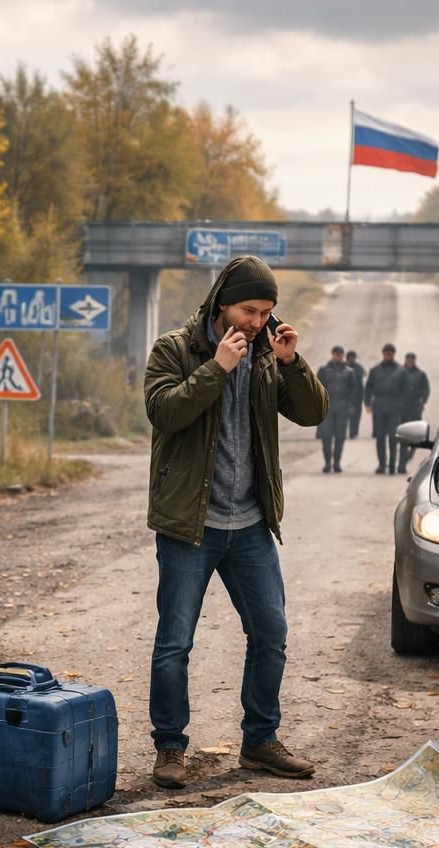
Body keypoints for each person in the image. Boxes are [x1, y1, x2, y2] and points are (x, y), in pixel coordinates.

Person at [144, 255, 328, 789]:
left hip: (250, 525)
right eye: (249, 309)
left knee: (271, 633)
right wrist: (217, 368)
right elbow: (165, 412)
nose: (256, 320)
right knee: (175, 642)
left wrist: (292, 363)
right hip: (189, 527)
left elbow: (313, 413)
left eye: (266, 311)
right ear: (223, 301)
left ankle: (260, 741)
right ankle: (170, 748)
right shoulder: (175, 348)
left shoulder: (269, 355)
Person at [363, 343, 405, 474]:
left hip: (394, 406)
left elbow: (405, 389)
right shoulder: (375, 370)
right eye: (386, 353)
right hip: (379, 406)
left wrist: (403, 405)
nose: (388, 355)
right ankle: (382, 465)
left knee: (393, 437)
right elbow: (368, 387)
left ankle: (392, 465)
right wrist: (367, 403)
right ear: (383, 354)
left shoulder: (401, 370)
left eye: (390, 353)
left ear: (393, 354)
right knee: (380, 437)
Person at [315, 345, 358, 472]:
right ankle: (328, 462)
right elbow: (317, 387)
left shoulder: (349, 372)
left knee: (340, 437)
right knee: (326, 436)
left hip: (343, 408)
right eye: (336, 354)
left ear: (343, 356)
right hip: (327, 407)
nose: (338, 356)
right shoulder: (323, 370)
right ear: (332, 355)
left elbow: (354, 389)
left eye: (340, 354)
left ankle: (337, 462)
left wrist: (351, 404)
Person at [395, 351, 431, 474]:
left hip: (415, 408)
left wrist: (423, 401)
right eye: (408, 359)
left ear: (414, 360)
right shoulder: (399, 373)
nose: (410, 361)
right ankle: (401, 464)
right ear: (406, 360)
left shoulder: (420, 374)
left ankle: (406, 458)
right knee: (403, 437)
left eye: (412, 359)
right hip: (402, 409)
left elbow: (426, 389)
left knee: (415, 439)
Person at [345, 350, 365, 438]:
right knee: (345, 416)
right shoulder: (343, 366)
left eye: (352, 357)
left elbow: (362, 383)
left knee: (355, 416)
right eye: (349, 357)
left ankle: (353, 433)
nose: (351, 359)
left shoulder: (359, 368)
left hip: (357, 396)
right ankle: (344, 433)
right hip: (346, 396)